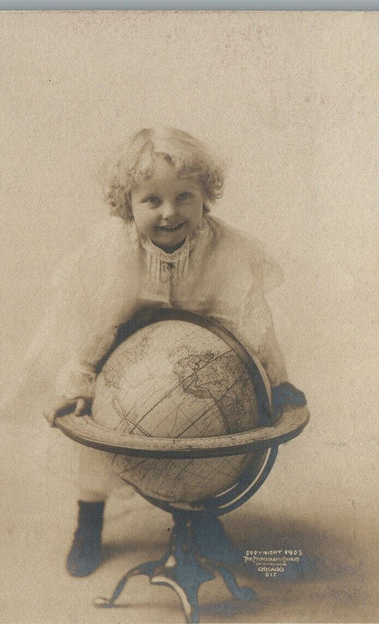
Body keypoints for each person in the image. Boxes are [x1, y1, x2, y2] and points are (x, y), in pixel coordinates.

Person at [41, 127, 305, 576]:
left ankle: (201, 519)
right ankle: (89, 521)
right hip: (119, 349)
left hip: (196, 350)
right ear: (127, 205)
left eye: (185, 196)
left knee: (203, 417)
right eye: (152, 201)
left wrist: (276, 381)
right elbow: (95, 325)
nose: (170, 213)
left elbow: (253, 323)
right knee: (100, 428)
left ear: (206, 196)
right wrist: (81, 379)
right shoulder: (114, 254)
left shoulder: (228, 253)